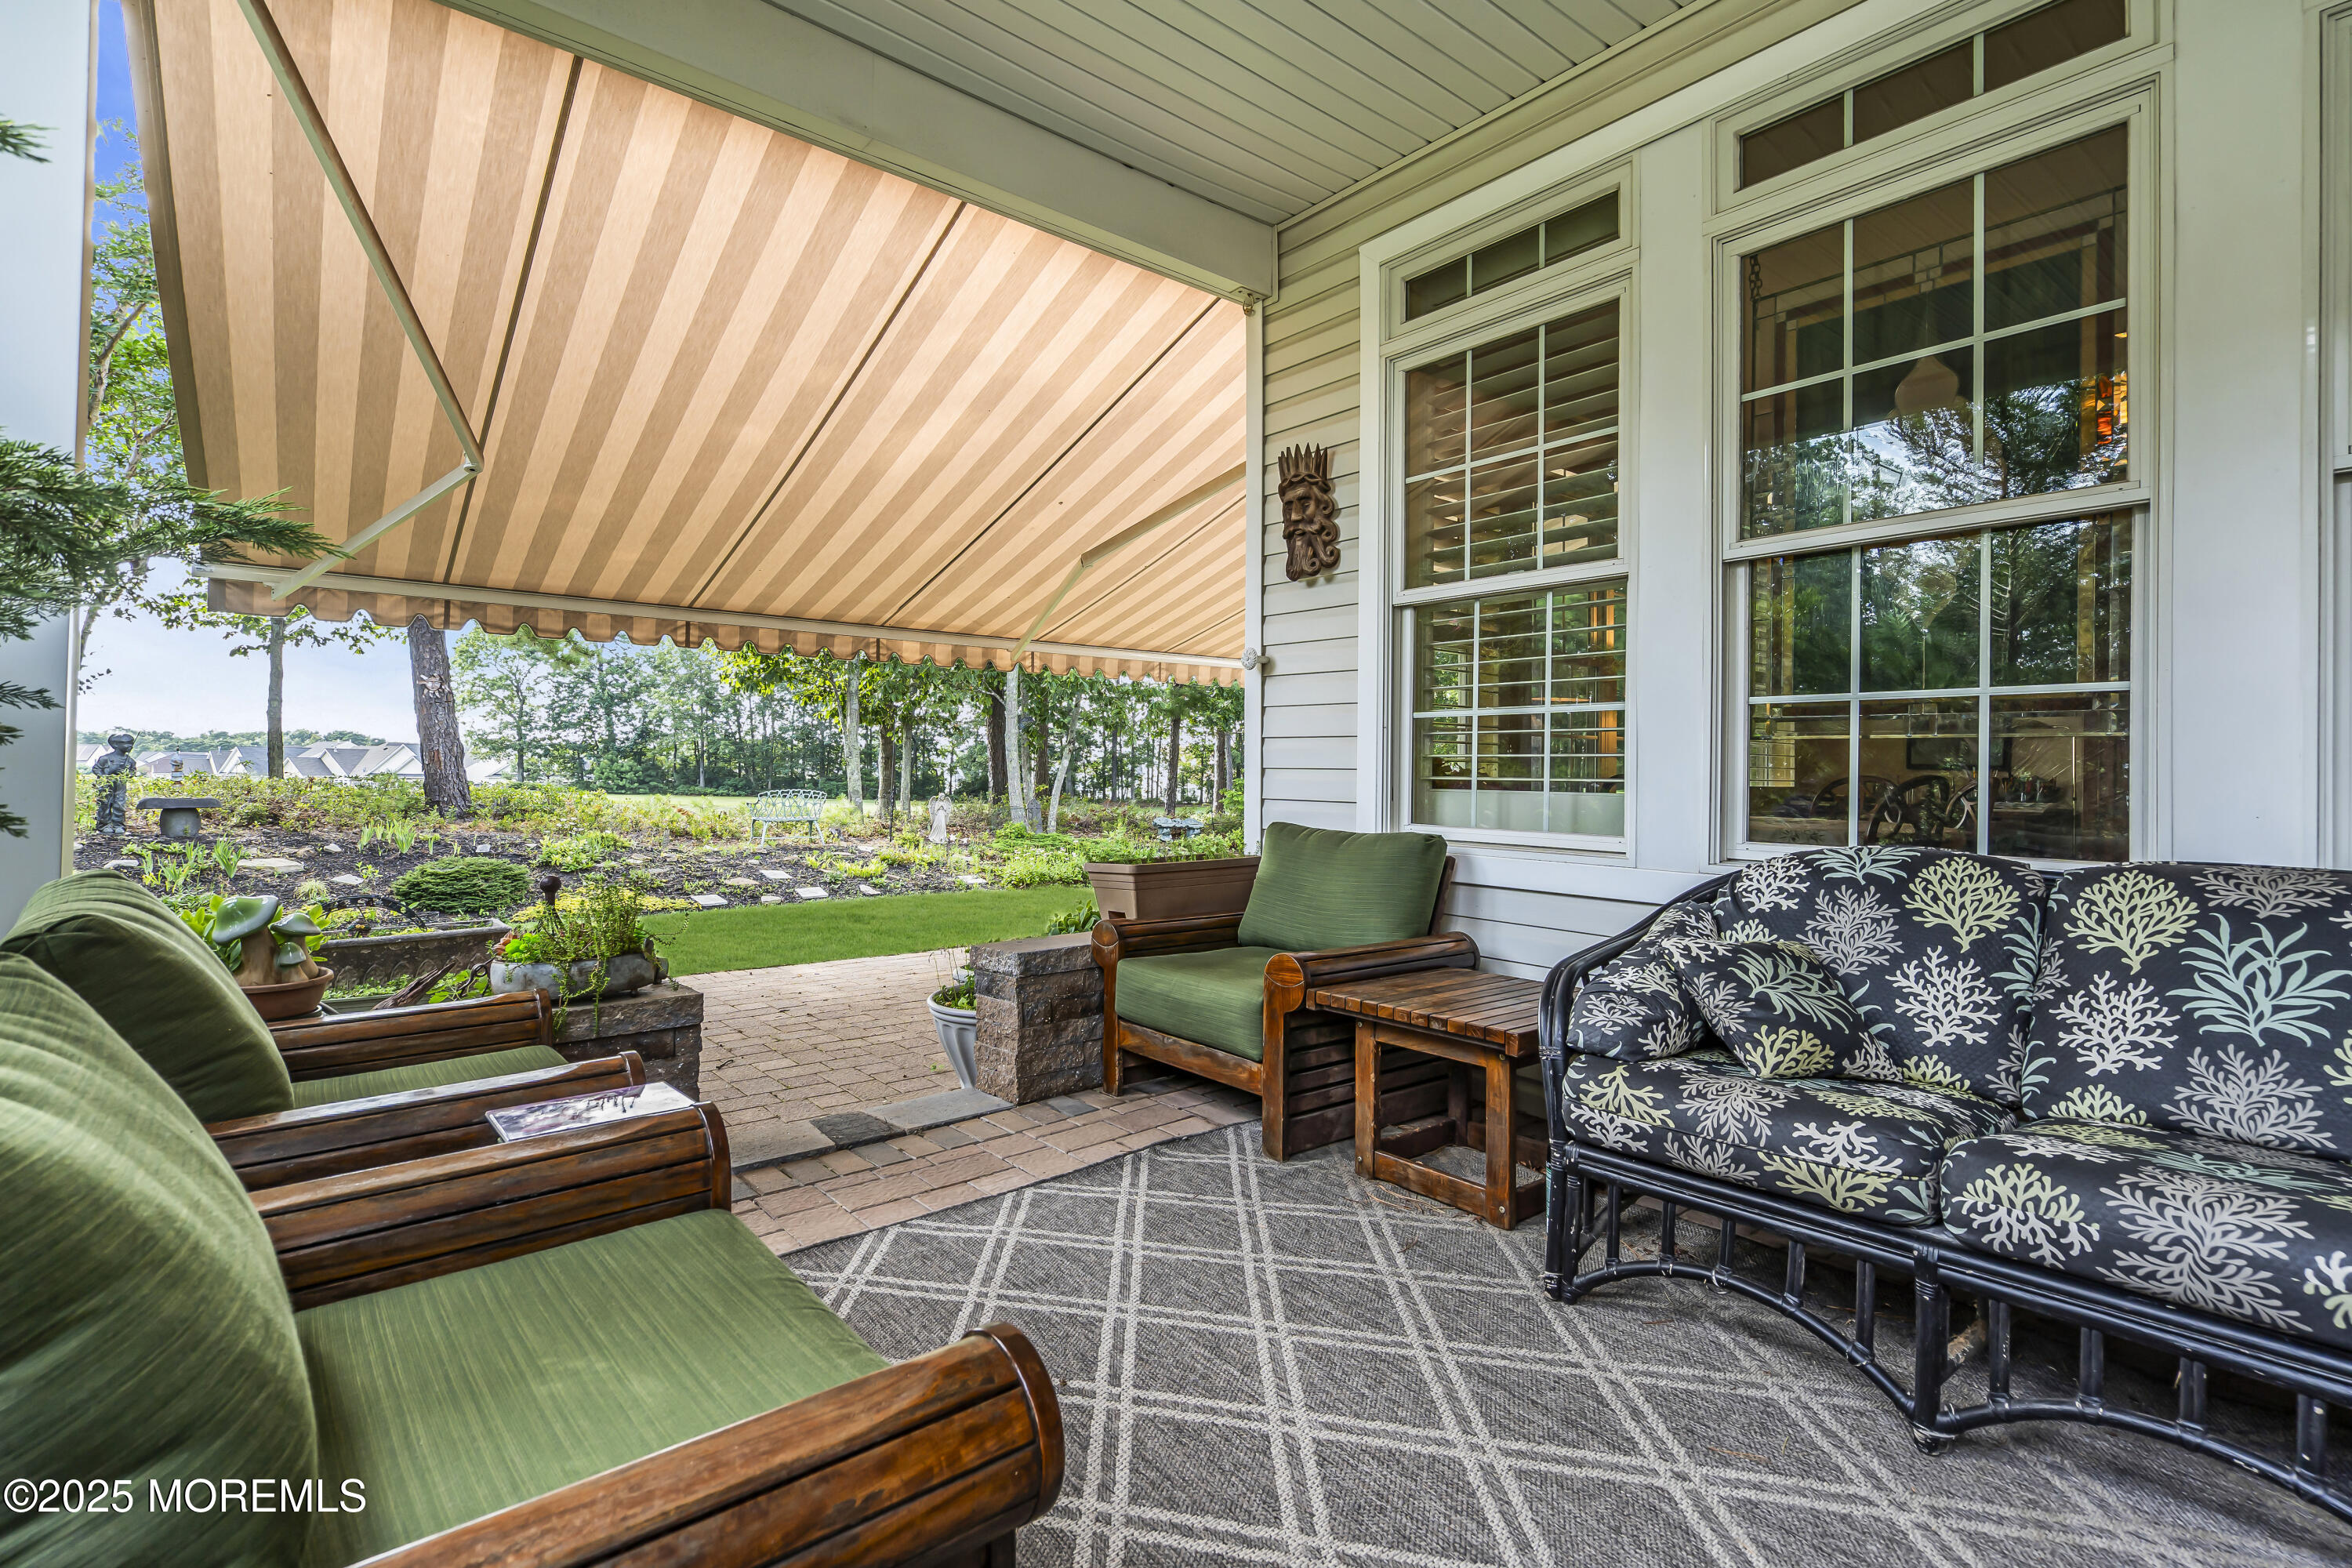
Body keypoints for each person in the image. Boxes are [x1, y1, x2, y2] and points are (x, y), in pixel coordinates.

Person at [90, 732, 138, 837]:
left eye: (131, 743)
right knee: (105, 804)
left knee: (120, 805)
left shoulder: (130, 761)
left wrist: (126, 774)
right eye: (126, 743)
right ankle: (104, 825)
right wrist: (107, 775)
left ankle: (118, 825)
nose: (130, 746)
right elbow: (96, 769)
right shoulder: (105, 759)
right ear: (116, 745)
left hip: (120, 787)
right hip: (106, 787)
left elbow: (132, 772)